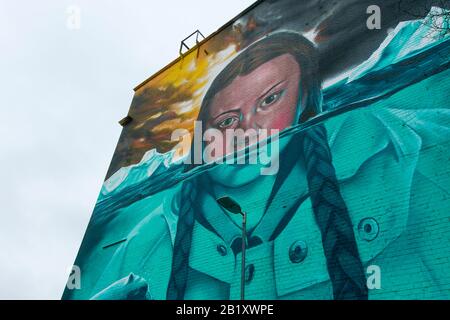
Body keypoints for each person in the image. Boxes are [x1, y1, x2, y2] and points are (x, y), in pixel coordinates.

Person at [81, 32, 450, 300]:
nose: (247, 129)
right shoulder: (141, 246)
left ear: (307, 103)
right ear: (201, 140)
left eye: (270, 99)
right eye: (226, 121)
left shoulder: (416, 161)